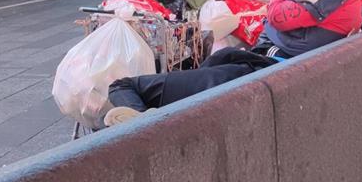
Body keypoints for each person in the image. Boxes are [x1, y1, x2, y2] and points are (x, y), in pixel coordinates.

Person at [103, 48, 279, 126]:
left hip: (225, 79)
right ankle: (144, 117)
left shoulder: (275, 44)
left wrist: (200, 73)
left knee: (121, 85)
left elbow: (225, 54)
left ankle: (142, 118)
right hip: (241, 85)